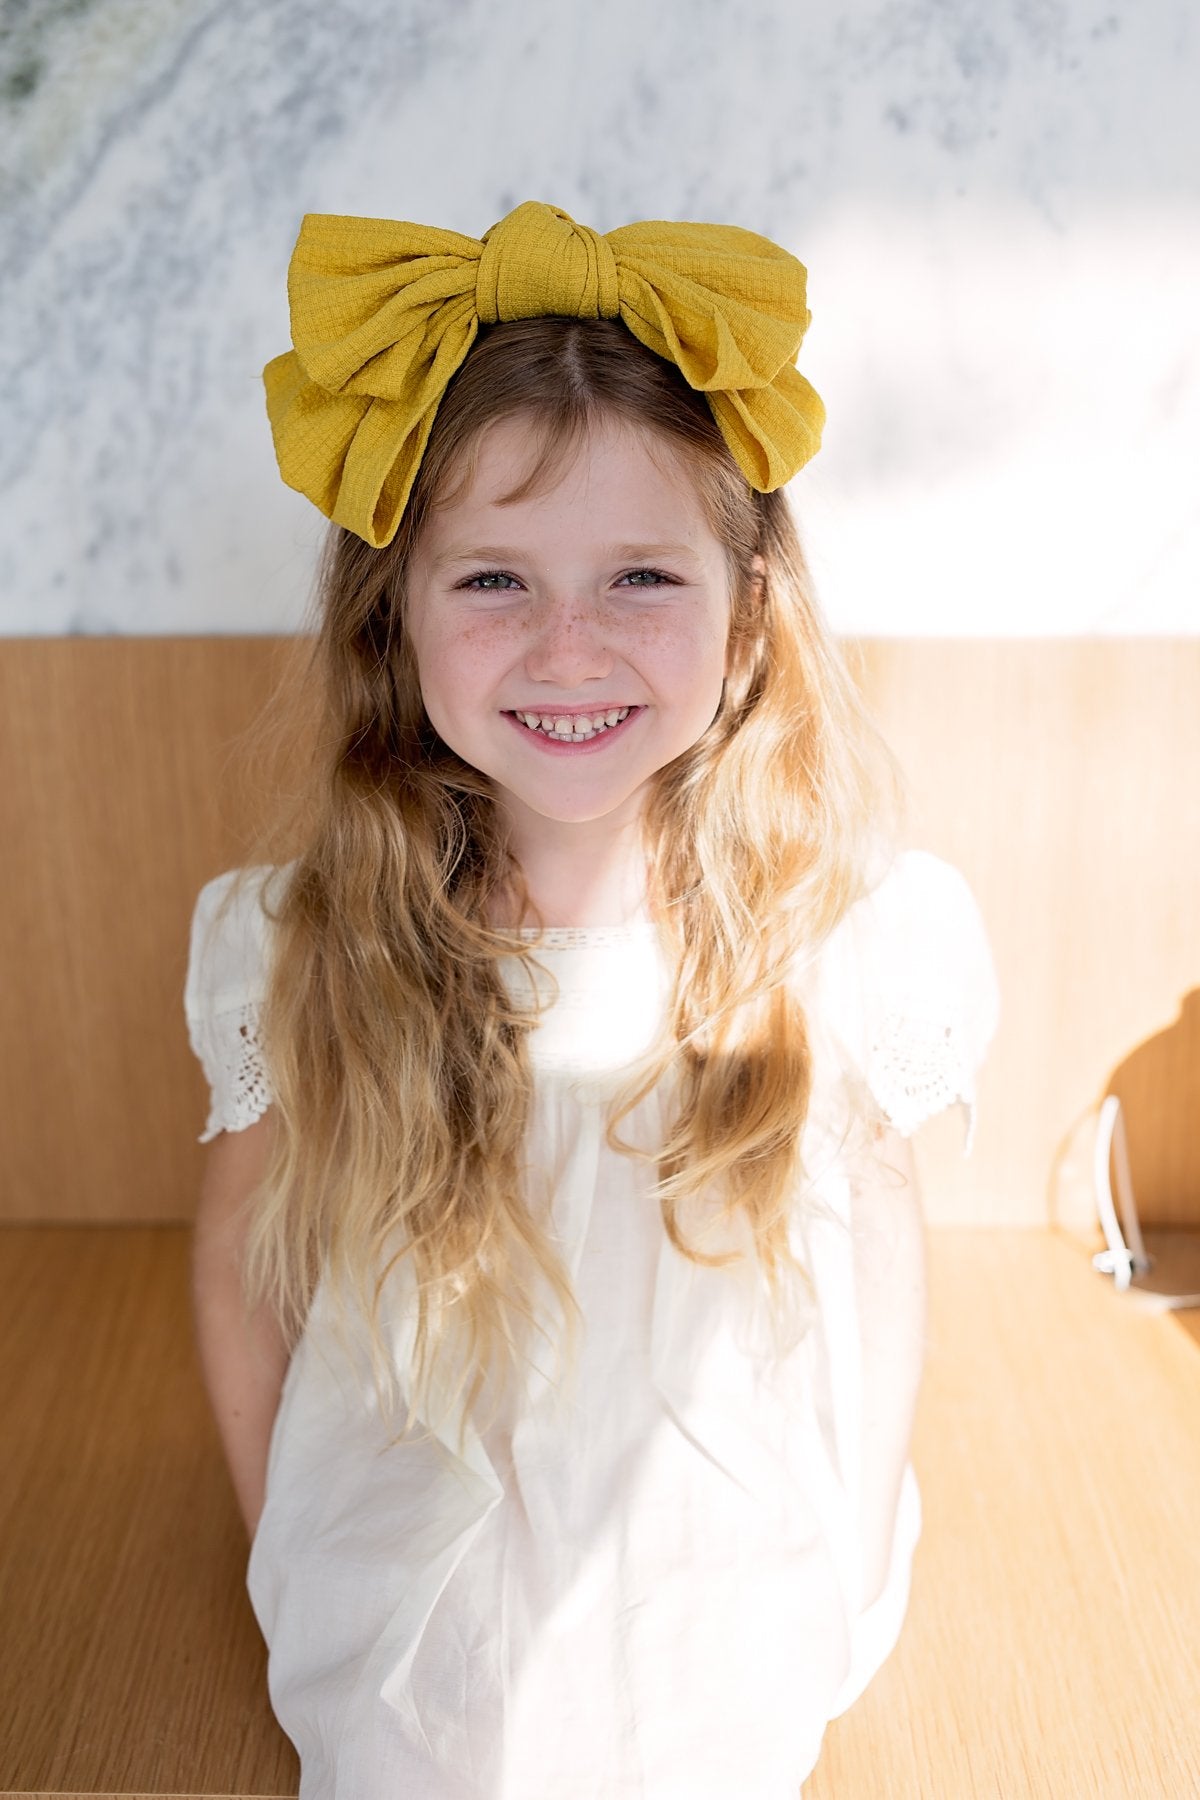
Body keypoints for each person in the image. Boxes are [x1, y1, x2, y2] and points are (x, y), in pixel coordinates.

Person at [185, 199, 1000, 1798]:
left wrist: (847, 1564)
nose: (570, 649)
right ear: (396, 617)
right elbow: (239, 1269)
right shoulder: (297, 944)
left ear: (746, 616)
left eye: (639, 576)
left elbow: (879, 1269)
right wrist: (289, 1549)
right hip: (408, 1560)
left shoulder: (843, 935)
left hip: (722, 1561)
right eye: (495, 578)